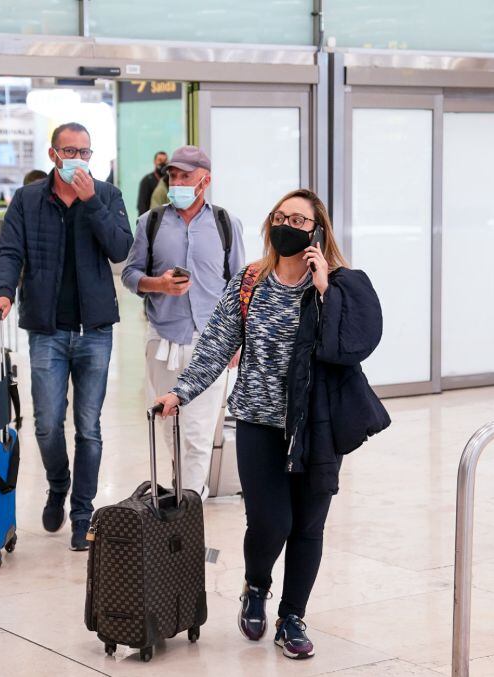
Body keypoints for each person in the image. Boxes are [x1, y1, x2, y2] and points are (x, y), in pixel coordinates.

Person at [154, 189, 390, 660]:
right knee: (270, 522)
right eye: (281, 216)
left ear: (317, 231)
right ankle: (256, 585)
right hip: (259, 421)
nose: (288, 224)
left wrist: (324, 287)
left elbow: (358, 341)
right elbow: (218, 344)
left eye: (299, 220)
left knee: (308, 525)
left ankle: (293, 616)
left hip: (316, 425)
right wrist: (182, 391)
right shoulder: (250, 281)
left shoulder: (340, 285)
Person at [0, 122, 134, 551]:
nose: (78, 159)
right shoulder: (28, 199)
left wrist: (92, 204)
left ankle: (82, 514)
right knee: (48, 424)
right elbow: (10, 250)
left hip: (96, 331)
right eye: (70, 151)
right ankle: (58, 483)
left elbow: (121, 249)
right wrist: (2, 292)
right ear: (53, 155)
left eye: (85, 152)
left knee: (88, 428)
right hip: (47, 329)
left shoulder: (107, 196)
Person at [121, 145, 245, 501]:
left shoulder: (225, 224)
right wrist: (156, 284)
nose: (177, 182)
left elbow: (240, 285)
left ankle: (190, 504)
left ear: (204, 180)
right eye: (173, 175)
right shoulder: (151, 222)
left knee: (199, 430)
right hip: (164, 339)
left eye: (185, 176)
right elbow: (130, 274)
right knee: (171, 427)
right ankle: (185, 491)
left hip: (211, 342)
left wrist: (238, 340)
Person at [136, 151, 168, 215]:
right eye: (160, 160)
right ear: (154, 162)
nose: (162, 163)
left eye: (165, 160)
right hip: (152, 218)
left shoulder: (170, 180)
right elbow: (142, 204)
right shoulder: (147, 180)